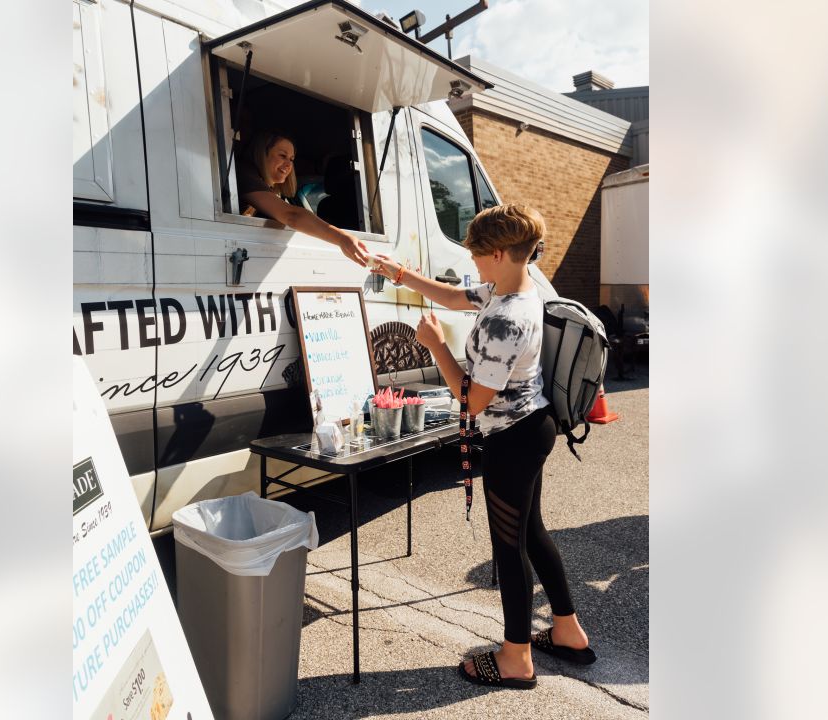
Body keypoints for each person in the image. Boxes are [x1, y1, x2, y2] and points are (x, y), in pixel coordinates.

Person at [369, 204, 597, 689]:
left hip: (512, 441)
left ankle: (516, 658)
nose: (472, 262)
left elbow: (471, 400)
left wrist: (435, 347)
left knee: (508, 547)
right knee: (531, 534)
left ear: (497, 253)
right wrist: (399, 273)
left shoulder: (505, 321)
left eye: (476, 254)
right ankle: (568, 632)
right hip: (531, 428)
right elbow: (454, 297)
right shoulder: (514, 288)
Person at [236, 130, 369, 267]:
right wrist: (342, 238)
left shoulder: (271, 190)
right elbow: (292, 215)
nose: (289, 165)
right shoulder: (244, 174)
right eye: (282, 156)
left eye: (291, 159)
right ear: (262, 154)